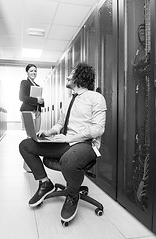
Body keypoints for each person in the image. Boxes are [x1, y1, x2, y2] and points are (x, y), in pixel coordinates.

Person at [19, 62, 106, 223]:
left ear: (80, 76)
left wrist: (69, 138)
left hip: (85, 145)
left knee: (68, 160)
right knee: (26, 145)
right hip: (65, 143)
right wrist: (49, 132)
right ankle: (45, 183)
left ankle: (73, 196)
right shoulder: (68, 100)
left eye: (71, 73)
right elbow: (60, 124)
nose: (67, 76)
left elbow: (98, 129)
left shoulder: (96, 98)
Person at [19, 63, 44, 172]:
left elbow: (39, 100)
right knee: (30, 137)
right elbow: (21, 97)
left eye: (35, 71)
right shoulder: (24, 83)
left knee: (35, 138)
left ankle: (30, 165)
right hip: (27, 111)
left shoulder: (37, 86)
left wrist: (41, 102)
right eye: (31, 71)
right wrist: (36, 100)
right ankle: (28, 166)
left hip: (37, 112)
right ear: (27, 72)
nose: (34, 73)